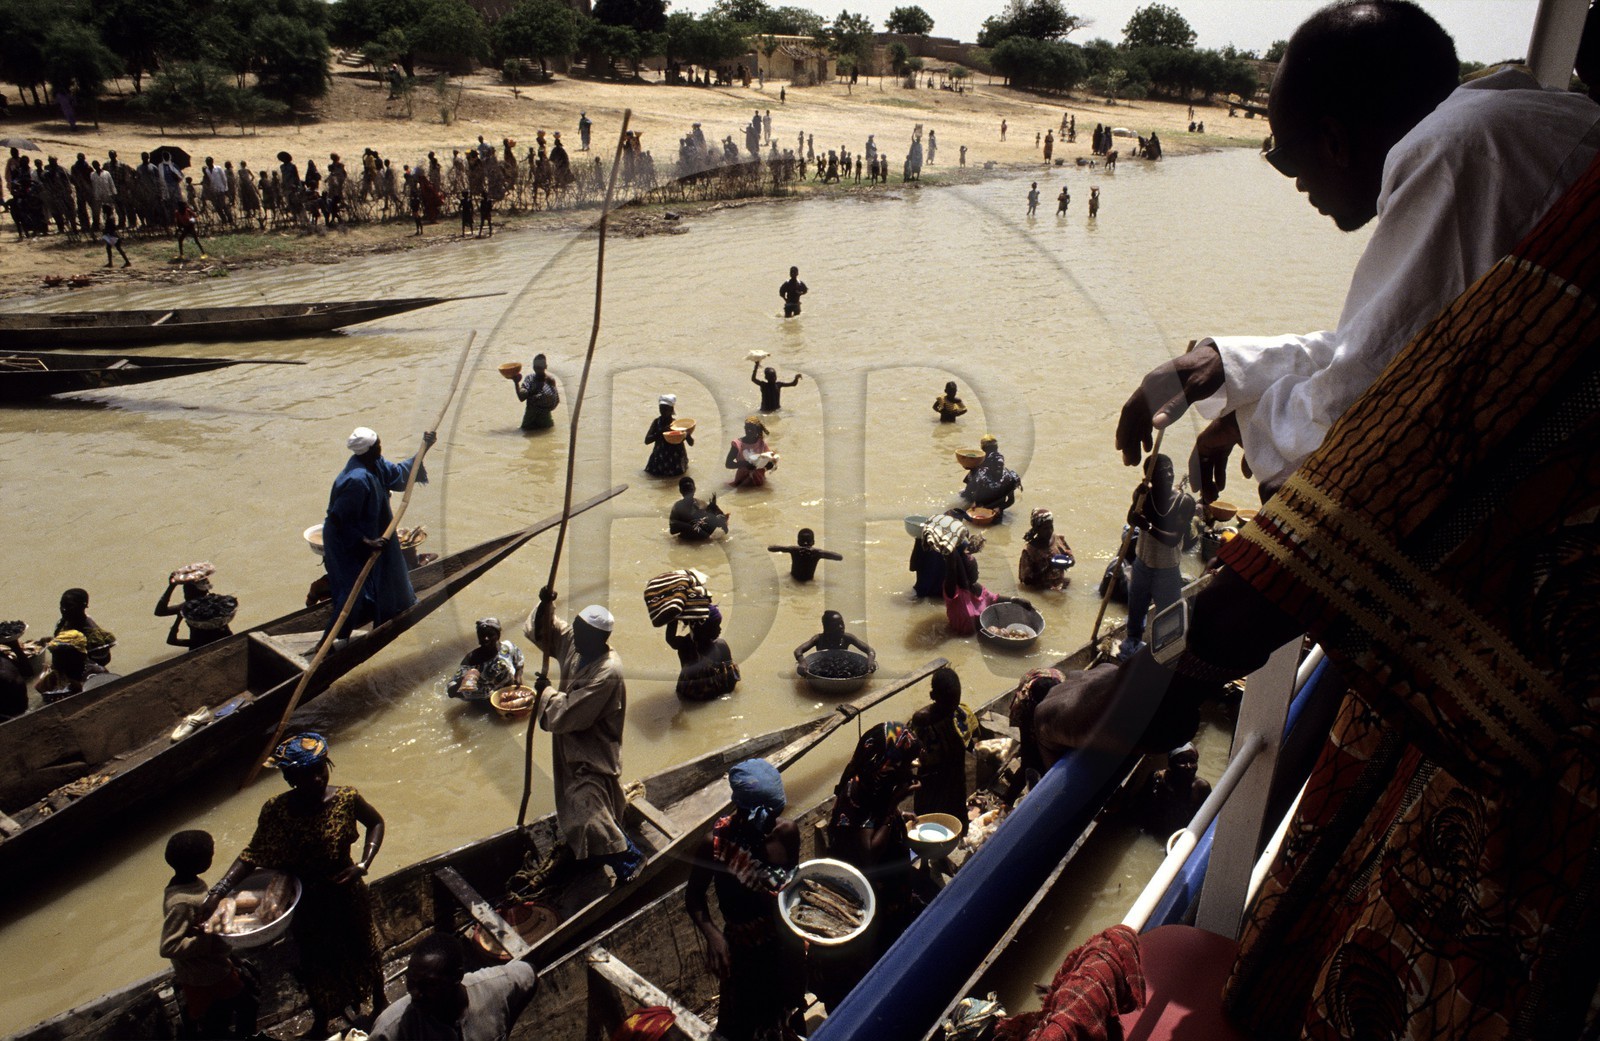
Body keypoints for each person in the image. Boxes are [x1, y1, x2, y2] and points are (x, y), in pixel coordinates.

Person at [1042, 131, 1600, 1034]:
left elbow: (1369, 465)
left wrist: (1157, 680)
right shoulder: (1537, 154)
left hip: (1520, 757)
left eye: (1293, 142)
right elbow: (1382, 357)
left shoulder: (1476, 154)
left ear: (1354, 125)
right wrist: (1228, 371)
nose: (1273, 163)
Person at [1115, 0, 1600, 502]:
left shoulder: (1459, 151)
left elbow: (1370, 396)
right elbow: (1394, 341)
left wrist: (1250, 423)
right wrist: (1229, 363)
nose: (1297, 183)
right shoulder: (1513, 123)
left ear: (1333, 140)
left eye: (1285, 158)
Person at [202, 733, 386, 1038]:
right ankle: (322, 1019)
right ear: (289, 779)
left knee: (365, 946)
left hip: (346, 891)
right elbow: (252, 855)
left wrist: (363, 864)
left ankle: (379, 1001)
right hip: (306, 902)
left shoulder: (346, 798)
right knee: (314, 962)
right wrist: (218, 891)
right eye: (306, 775)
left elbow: (376, 823)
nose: (317, 779)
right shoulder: (276, 811)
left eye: (320, 770)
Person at [525, 590, 643, 882]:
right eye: (575, 629)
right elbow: (549, 631)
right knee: (585, 798)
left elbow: (571, 712)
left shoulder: (607, 671)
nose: (573, 636)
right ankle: (602, 846)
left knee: (585, 806)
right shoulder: (578, 643)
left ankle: (627, 857)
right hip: (571, 741)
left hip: (592, 746)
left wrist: (544, 692)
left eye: (580, 633)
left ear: (599, 639)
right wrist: (546, 604)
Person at [685, 759, 804, 1041]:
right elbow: (694, 897)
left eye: (776, 814)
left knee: (788, 1006)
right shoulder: (714, 844)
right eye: (768, 817)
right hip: (742, 946)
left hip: (784, 937)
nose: (773, 823)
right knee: (740, 1021)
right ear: (746, 812)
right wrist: (713, 935)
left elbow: (792, 886)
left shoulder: (787, 833)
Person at [816, 722, 924, 1008]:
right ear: (885, 765)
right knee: (875, 956)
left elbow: (876, 817)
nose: (912, 768)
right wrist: (893, 807)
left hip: (891, 888)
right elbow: (869, 853)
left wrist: (898, 813)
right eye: (906, 763)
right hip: (870, 896)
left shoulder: (877, 783)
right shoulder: (854, 796)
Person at [322, 427, 433, 638]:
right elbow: (340, 520)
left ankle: (384, 609)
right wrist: (366, 541)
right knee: (351, 593)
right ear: (369, 450)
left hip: (368, 532)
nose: (381, 447)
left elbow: (399, 474)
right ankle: (332, 640)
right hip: (345, 540)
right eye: (378, 445)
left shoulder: (376, 463)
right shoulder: (357, 480)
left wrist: (424, 447)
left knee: (385, 572)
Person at [159, 830, 259, 1040]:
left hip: (213, 966)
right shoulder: (181, 903)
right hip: (206, 976)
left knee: (223, 1015)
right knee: (245, 1005)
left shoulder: (189, 883)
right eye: (210, 855)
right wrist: (205, 936)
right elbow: (169, 947)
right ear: (199, 863)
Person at [368, 933, 537, 1041]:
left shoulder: (495, 987)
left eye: (430, 984)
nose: (416, 993)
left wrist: (509, 1017)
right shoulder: (391, 1029)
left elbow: (529, 973)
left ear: (457, 976)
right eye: (411, 982)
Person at [1118, 454, 1194, 659]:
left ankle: (1167, 655)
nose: (1168, 475)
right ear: (1150, 477)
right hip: (1142, 564)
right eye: (1162, 472)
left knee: (1168, 618)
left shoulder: (1184, 501)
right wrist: (1137, 497)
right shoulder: (1146, 496)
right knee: (1136, 613)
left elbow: (1173, 538)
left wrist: (1148, 526)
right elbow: (1132, 518)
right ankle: (1132, 647)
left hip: (1167, 570)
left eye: (1170, 470)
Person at [910, 667, 967, 832]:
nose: (952, 706)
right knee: (928, 817)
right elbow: (915, 750)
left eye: (956, 701)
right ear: (933, 696)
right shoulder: (923, 721)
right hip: (931, 777)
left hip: (954, 774)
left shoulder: (959, 713)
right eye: (949, 702)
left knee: (955, 813)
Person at [1131, 743, 1210, 836]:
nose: (1189, 766)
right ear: (1170, 764)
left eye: (1192, 761)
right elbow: (1140, 807)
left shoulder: (1201, 787)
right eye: (1182, 761)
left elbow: (1206, 819)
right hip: (1157, 832)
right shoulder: (1157, 779)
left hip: (1182, 834)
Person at [664, 605, 739, 701]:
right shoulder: (689, 645)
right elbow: (731, 679)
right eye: (715, 626)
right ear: (704, 630)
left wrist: (673, 617)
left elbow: (730, 677)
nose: (720, 629)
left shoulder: (686, 645)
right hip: (708, 696)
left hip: (687, 694)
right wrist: (674, 615)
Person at [154, 564, 238, 649]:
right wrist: (171, 586)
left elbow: (160, 612)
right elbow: (160, 612)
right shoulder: (214, 602)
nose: (185, 594)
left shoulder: (210, 605)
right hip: (215, 641)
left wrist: (178, 618)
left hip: (203, 643)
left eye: (186, 591)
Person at [446, 618, 525, 701]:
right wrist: (463, 680)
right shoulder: (472, 660)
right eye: (482, 635)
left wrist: (518, 677)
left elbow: (519, 663)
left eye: (490, 635)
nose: (486, 638)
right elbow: (451, 692)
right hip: (483, 699)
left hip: (508, 691)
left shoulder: (508, 648)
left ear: (498, 635)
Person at [34, 630, 115, 703]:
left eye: (62, 655)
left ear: (80, 655)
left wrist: (76, 686)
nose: (56, 660)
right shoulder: (58, 673)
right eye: (55, 655)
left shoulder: (95, 674)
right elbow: (39, 688)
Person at [793, 610, 876, 674]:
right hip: (823, 667)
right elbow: (798, 650)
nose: (841, 627)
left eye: (842, 623)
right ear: (827, 628)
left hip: (842, 666)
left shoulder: (847, 638)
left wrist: (871, 661)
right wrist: (802, 662)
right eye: (836, 625)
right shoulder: (819, 639)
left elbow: (870, 650)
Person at [960, 434, 1022, 515]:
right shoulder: (1008, 478)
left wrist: (999, 508)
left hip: (988, 513)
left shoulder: (1007, 478)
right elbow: (1011, 501)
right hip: (985, 512)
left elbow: (967, 495)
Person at [53, 588, 115, 666]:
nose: (64, 609)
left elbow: (100, 664)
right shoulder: (64, 621)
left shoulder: (93, 637)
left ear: (83, 606)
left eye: (69, 606)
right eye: (62, 605)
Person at [1017, 507, 1075, 590]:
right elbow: (1026, 581)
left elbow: (1071, 557)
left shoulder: (1058, 540)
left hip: (1060, 584)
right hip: (1042, 589)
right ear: (1037, 529)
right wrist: (1047, 567)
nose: (1049, 531)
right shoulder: (1029, 551)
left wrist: (1070, 561)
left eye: (1051, 527)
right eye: (1045, 528)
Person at [767, 528, 842, 582]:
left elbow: (771, 548)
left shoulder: (794, 550)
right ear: (813, 542)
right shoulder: (817, 553)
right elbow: (839, 557)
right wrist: (816, 551)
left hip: (792, 581)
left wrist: (794, 548)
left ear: (798, 542)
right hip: (808, 583)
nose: (805, 544)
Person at [643, 394, 692, 477]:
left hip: (675, 460)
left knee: (675, 478)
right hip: (659, 459)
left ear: (671, 409)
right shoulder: (657, 422)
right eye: (661, 408)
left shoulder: (677, 425)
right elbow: (647, 440)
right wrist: (661, 432)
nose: (662, 411)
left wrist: (687, 434)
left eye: (665, 409)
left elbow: (691, 443)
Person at [0, 621, 40, 721]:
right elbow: (29, 673)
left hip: (9, 714)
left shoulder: (4, 669)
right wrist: (15, 646)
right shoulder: (5, 661)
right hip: (22, 707)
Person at [669, 476, 729, 540]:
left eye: (690, 489)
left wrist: (715, 510)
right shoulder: (677, 507)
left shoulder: (701, 504)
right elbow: (672, 530)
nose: (688, 493)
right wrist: (688, 526)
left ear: (694, 489)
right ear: (681, 491)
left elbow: (723, 519)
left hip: (703, 535)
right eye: (685, 490)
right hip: (687, 538)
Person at [725, 416, 776, 488]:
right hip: (742, 482)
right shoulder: (737, 444)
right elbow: (728, 464)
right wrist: (744, 464)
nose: (749, 431)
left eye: (752, 429)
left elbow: (770, 462)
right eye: (747, 429)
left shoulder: (761, 443)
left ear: (757, 430)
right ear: (744, 428)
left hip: (759, 481)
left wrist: (767, 464)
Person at [514, 353, 559, 431]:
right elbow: (521, 397)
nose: (538, 369)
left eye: (540, 367)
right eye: (536, 367)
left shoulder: (550, 381)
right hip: (530, 420)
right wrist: (516, 383)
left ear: (545, 367)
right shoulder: (530, 379)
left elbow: (556, 400)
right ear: (533, 367)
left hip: (545, 422)